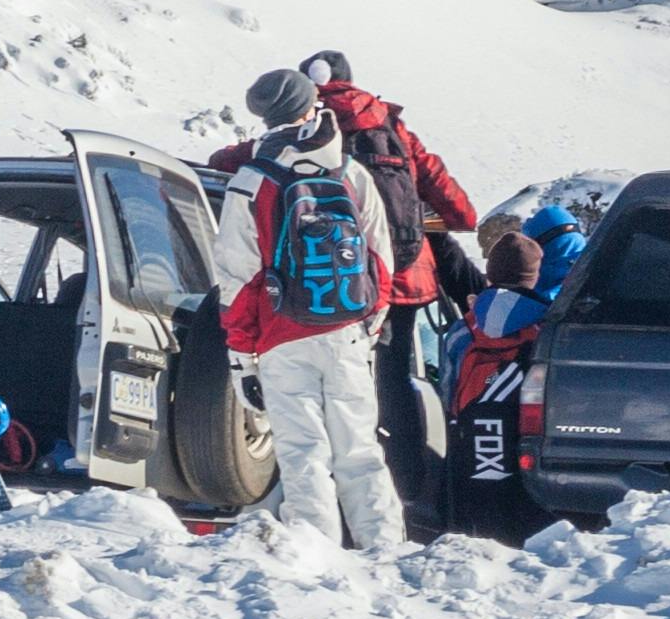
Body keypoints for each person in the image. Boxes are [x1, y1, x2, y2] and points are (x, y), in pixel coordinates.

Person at [211, 64, 408, 552]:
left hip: (282, 338)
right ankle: (386, 554)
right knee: (361, 453)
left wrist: (243, 358)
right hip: (348, 332)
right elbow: (381, 260)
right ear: (311, 105)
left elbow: (238, 281)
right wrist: (367, 323)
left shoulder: (252, 182)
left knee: (303, 454)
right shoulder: (350, 171)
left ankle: (316, 558)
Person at [435, 226, 556, 538]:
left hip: (471, 447)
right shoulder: (547, 325)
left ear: (490, 272)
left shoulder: (465, 328)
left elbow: (448, 390)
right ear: (533, 275)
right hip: (526, 448)